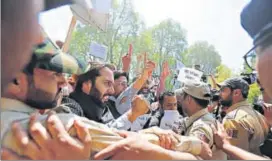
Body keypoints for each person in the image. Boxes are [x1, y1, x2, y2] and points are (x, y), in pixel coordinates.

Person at [219, 77, 270, 158]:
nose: (220, 93)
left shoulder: (232, 119)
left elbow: (234, 156)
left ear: (236, 93)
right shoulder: (258, 115)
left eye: (223, 90)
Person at [175, 80, 227, 159]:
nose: (180, 100)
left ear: (189, 99)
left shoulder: (201, 126)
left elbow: (197, 143)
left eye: (182, 96)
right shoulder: (201, 119)